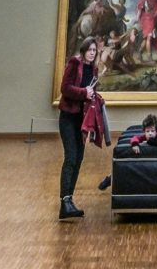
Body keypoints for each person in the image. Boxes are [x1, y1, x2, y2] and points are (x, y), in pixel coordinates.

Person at [57, 36, 99, 220]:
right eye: (89, 50)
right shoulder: (75, 63)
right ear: (83, 50)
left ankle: (69, 201)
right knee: (71, 157)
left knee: (79, 158)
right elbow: (65, 88)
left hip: (82, 120)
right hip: (68, 117)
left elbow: (89, 93)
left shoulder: (94, 69)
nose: (92, 53)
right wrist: (84, 93)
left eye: (94, 50)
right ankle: (64, 202)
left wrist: (93, 96)